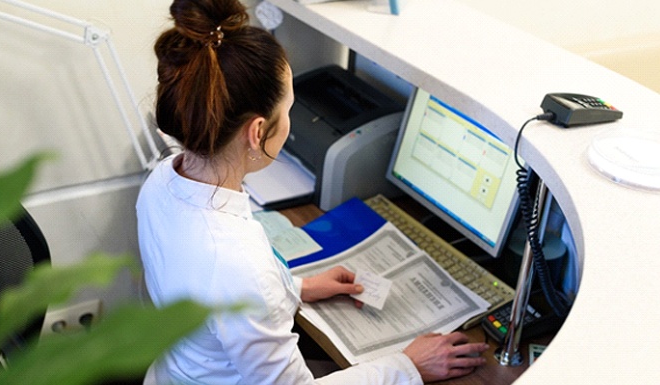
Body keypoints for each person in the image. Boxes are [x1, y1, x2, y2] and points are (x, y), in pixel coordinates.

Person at [136, 1, 489, 384]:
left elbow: (211, 293)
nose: (289, 121)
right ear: (257, 133)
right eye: (288, 109)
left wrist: (297, 288)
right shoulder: (238, 264)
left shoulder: (163, 182)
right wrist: (408, 366)